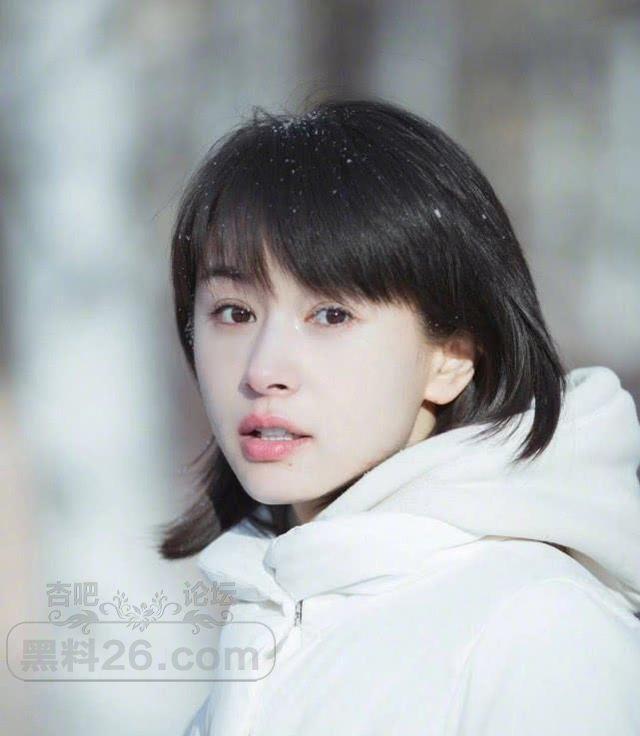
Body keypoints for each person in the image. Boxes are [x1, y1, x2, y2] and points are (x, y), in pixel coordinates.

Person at [159, 97, 640, 735]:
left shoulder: (535, 628)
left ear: (452, 357)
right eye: (235, 312)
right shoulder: (272, 614)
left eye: (331, 315)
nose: (262, 369)